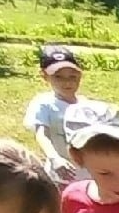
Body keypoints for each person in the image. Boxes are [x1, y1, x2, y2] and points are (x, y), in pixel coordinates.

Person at [23, 45, 84, 183]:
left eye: (72, 76)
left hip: (88, 175)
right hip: (60, 174)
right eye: (58, 77)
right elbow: (42, 134)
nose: (67, 82)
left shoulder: (87, 105)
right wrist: (54, 157)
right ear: (45, 76)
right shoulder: (44, 103)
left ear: (80, 75)